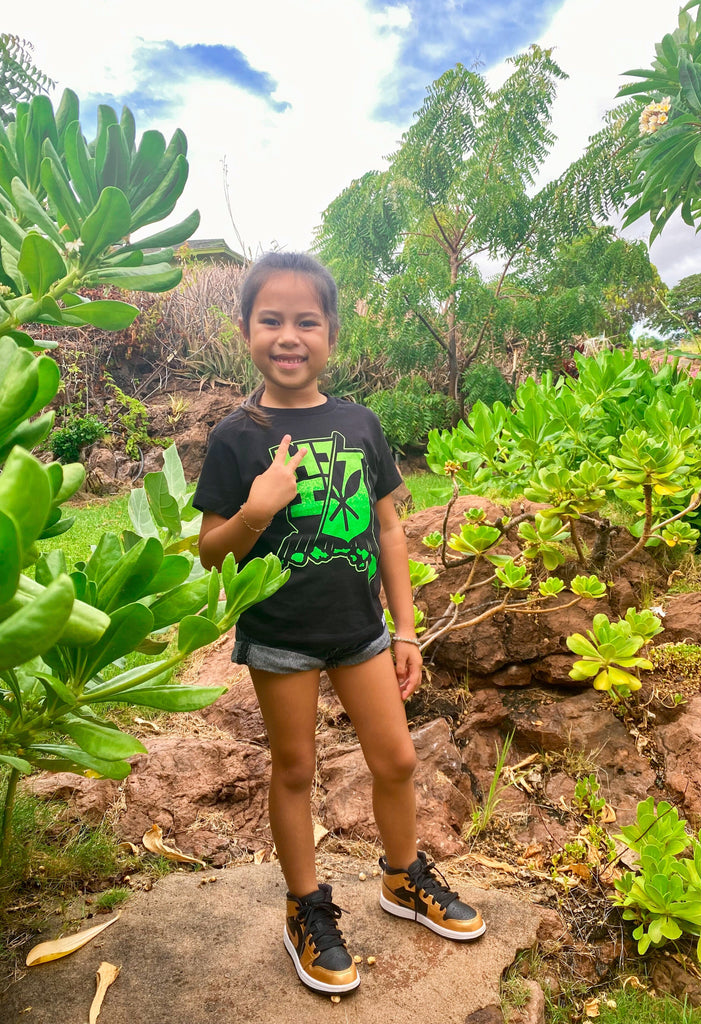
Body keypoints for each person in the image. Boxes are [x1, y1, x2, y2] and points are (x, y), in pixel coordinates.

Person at [193, 251, 485, 996]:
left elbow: (389, 531)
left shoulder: (360, 423)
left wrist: (407, 629)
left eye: (306, 321)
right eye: (271, 321)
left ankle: (400, 877)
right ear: (244, 329)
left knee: (397, 761)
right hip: (280, 636)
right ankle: (304, 908)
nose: (288, 336)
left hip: (360, 632)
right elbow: (210, 555)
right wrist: (258, 508)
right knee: (293, 771)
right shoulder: (235, 436)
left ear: (331, 333)